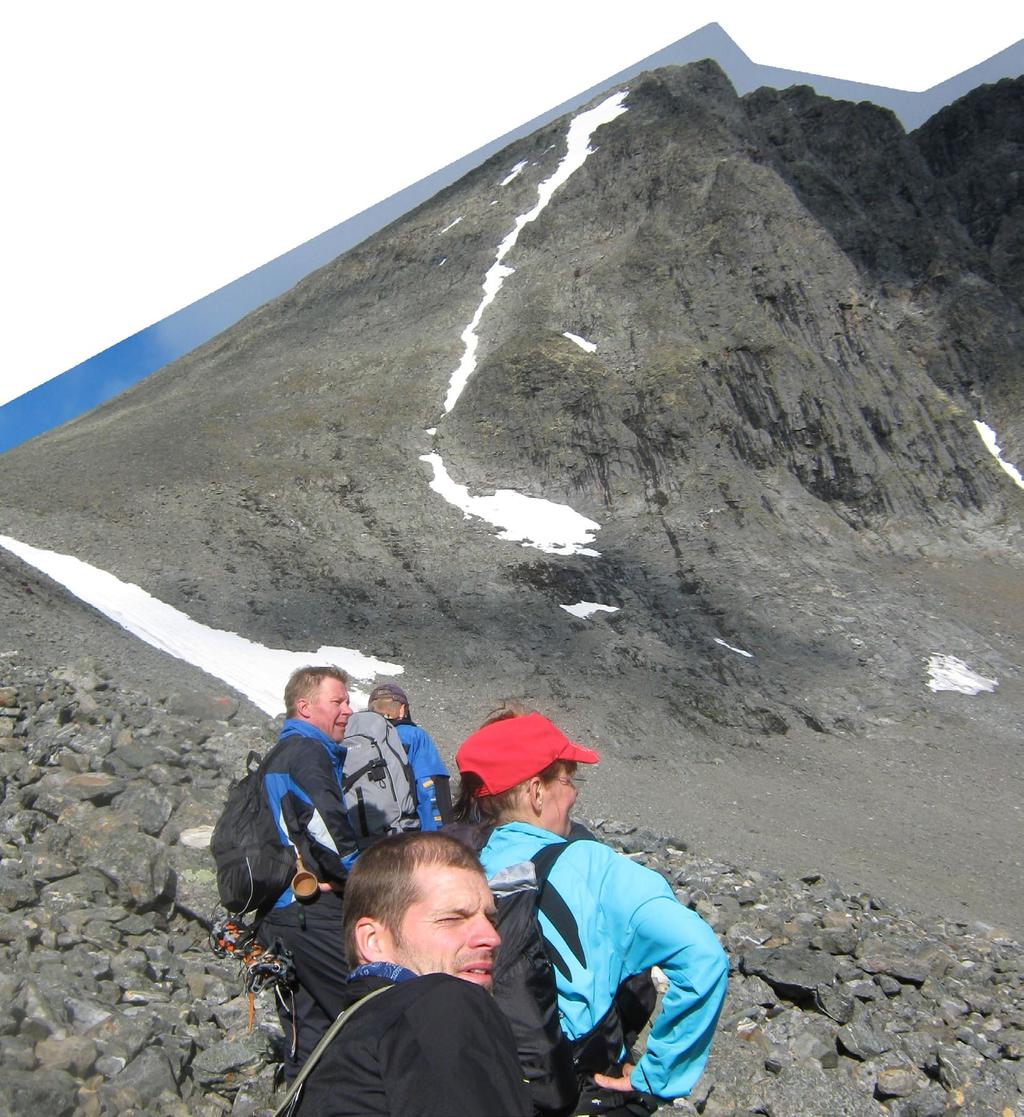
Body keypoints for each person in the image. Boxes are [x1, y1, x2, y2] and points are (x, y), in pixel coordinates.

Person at [453, 710, 729, 1114]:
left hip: (476, 1074)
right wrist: (655, 1078)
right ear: (536, 792)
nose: (574, 793)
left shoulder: (458, 864)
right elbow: (703, 957)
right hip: (572, 1082)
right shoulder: (593, 864)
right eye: (566, 779)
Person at [292, 832, 532, 1117]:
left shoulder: (341, 1051)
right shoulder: (441, 1001)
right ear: (373, 941)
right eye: (452, 918)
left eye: (491, 919)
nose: (492, 937)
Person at [257, 665, 359, 1081]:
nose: (349, 710)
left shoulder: (279, 754)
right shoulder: (307, 753)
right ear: (305, 706)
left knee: (308, 1031)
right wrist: (365, 880)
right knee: (364, 1012)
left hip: (277, 914)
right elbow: (329, 833)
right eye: (338, 701)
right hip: (309, 911)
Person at [368, 681, 452, 829]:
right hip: (408, 833)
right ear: (403, 710)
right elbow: (429, 786)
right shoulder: (414, 735)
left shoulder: (357, 741)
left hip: (370, 835)